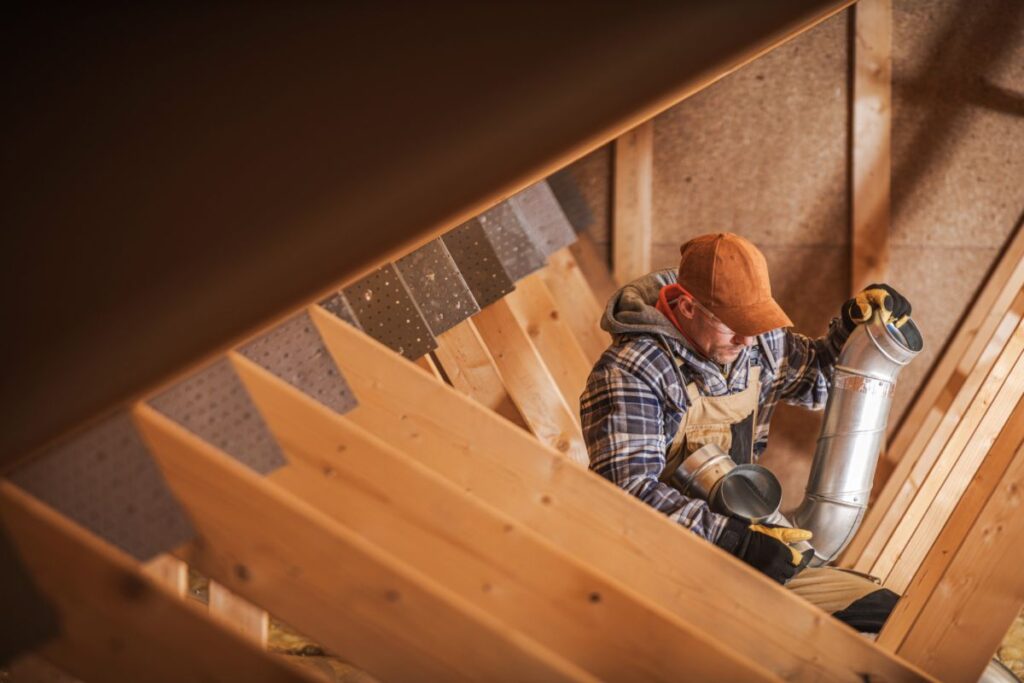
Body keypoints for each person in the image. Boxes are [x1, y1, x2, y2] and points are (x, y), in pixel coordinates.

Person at [580, 232, 908, 632]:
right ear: (686, 307)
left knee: (889, 617)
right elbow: (626, 492)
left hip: (747, 542)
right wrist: (732, 541)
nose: (747, 339)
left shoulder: (757, 342)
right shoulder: (633, 370)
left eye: (755, 322)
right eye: (733, 326)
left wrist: (852, 334)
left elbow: (817, 383)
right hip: (664, 569)